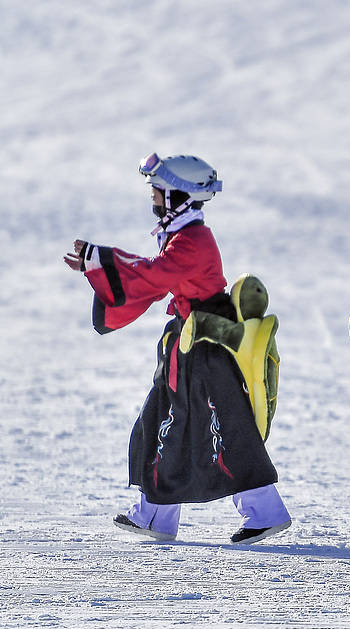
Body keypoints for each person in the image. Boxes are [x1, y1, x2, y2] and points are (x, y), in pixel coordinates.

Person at [63, 153, 291, 544]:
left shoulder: (193, 240)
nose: (152, 199)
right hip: (190, 347)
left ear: (176, 196)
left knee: (225, 431)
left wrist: (100, 260)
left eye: (158, 192)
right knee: (163, 423)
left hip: (205, 350)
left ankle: (265, 512)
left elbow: (154, 275)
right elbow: (155, 272)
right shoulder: (185, 235)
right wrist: (99, 261)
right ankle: (155, 515)